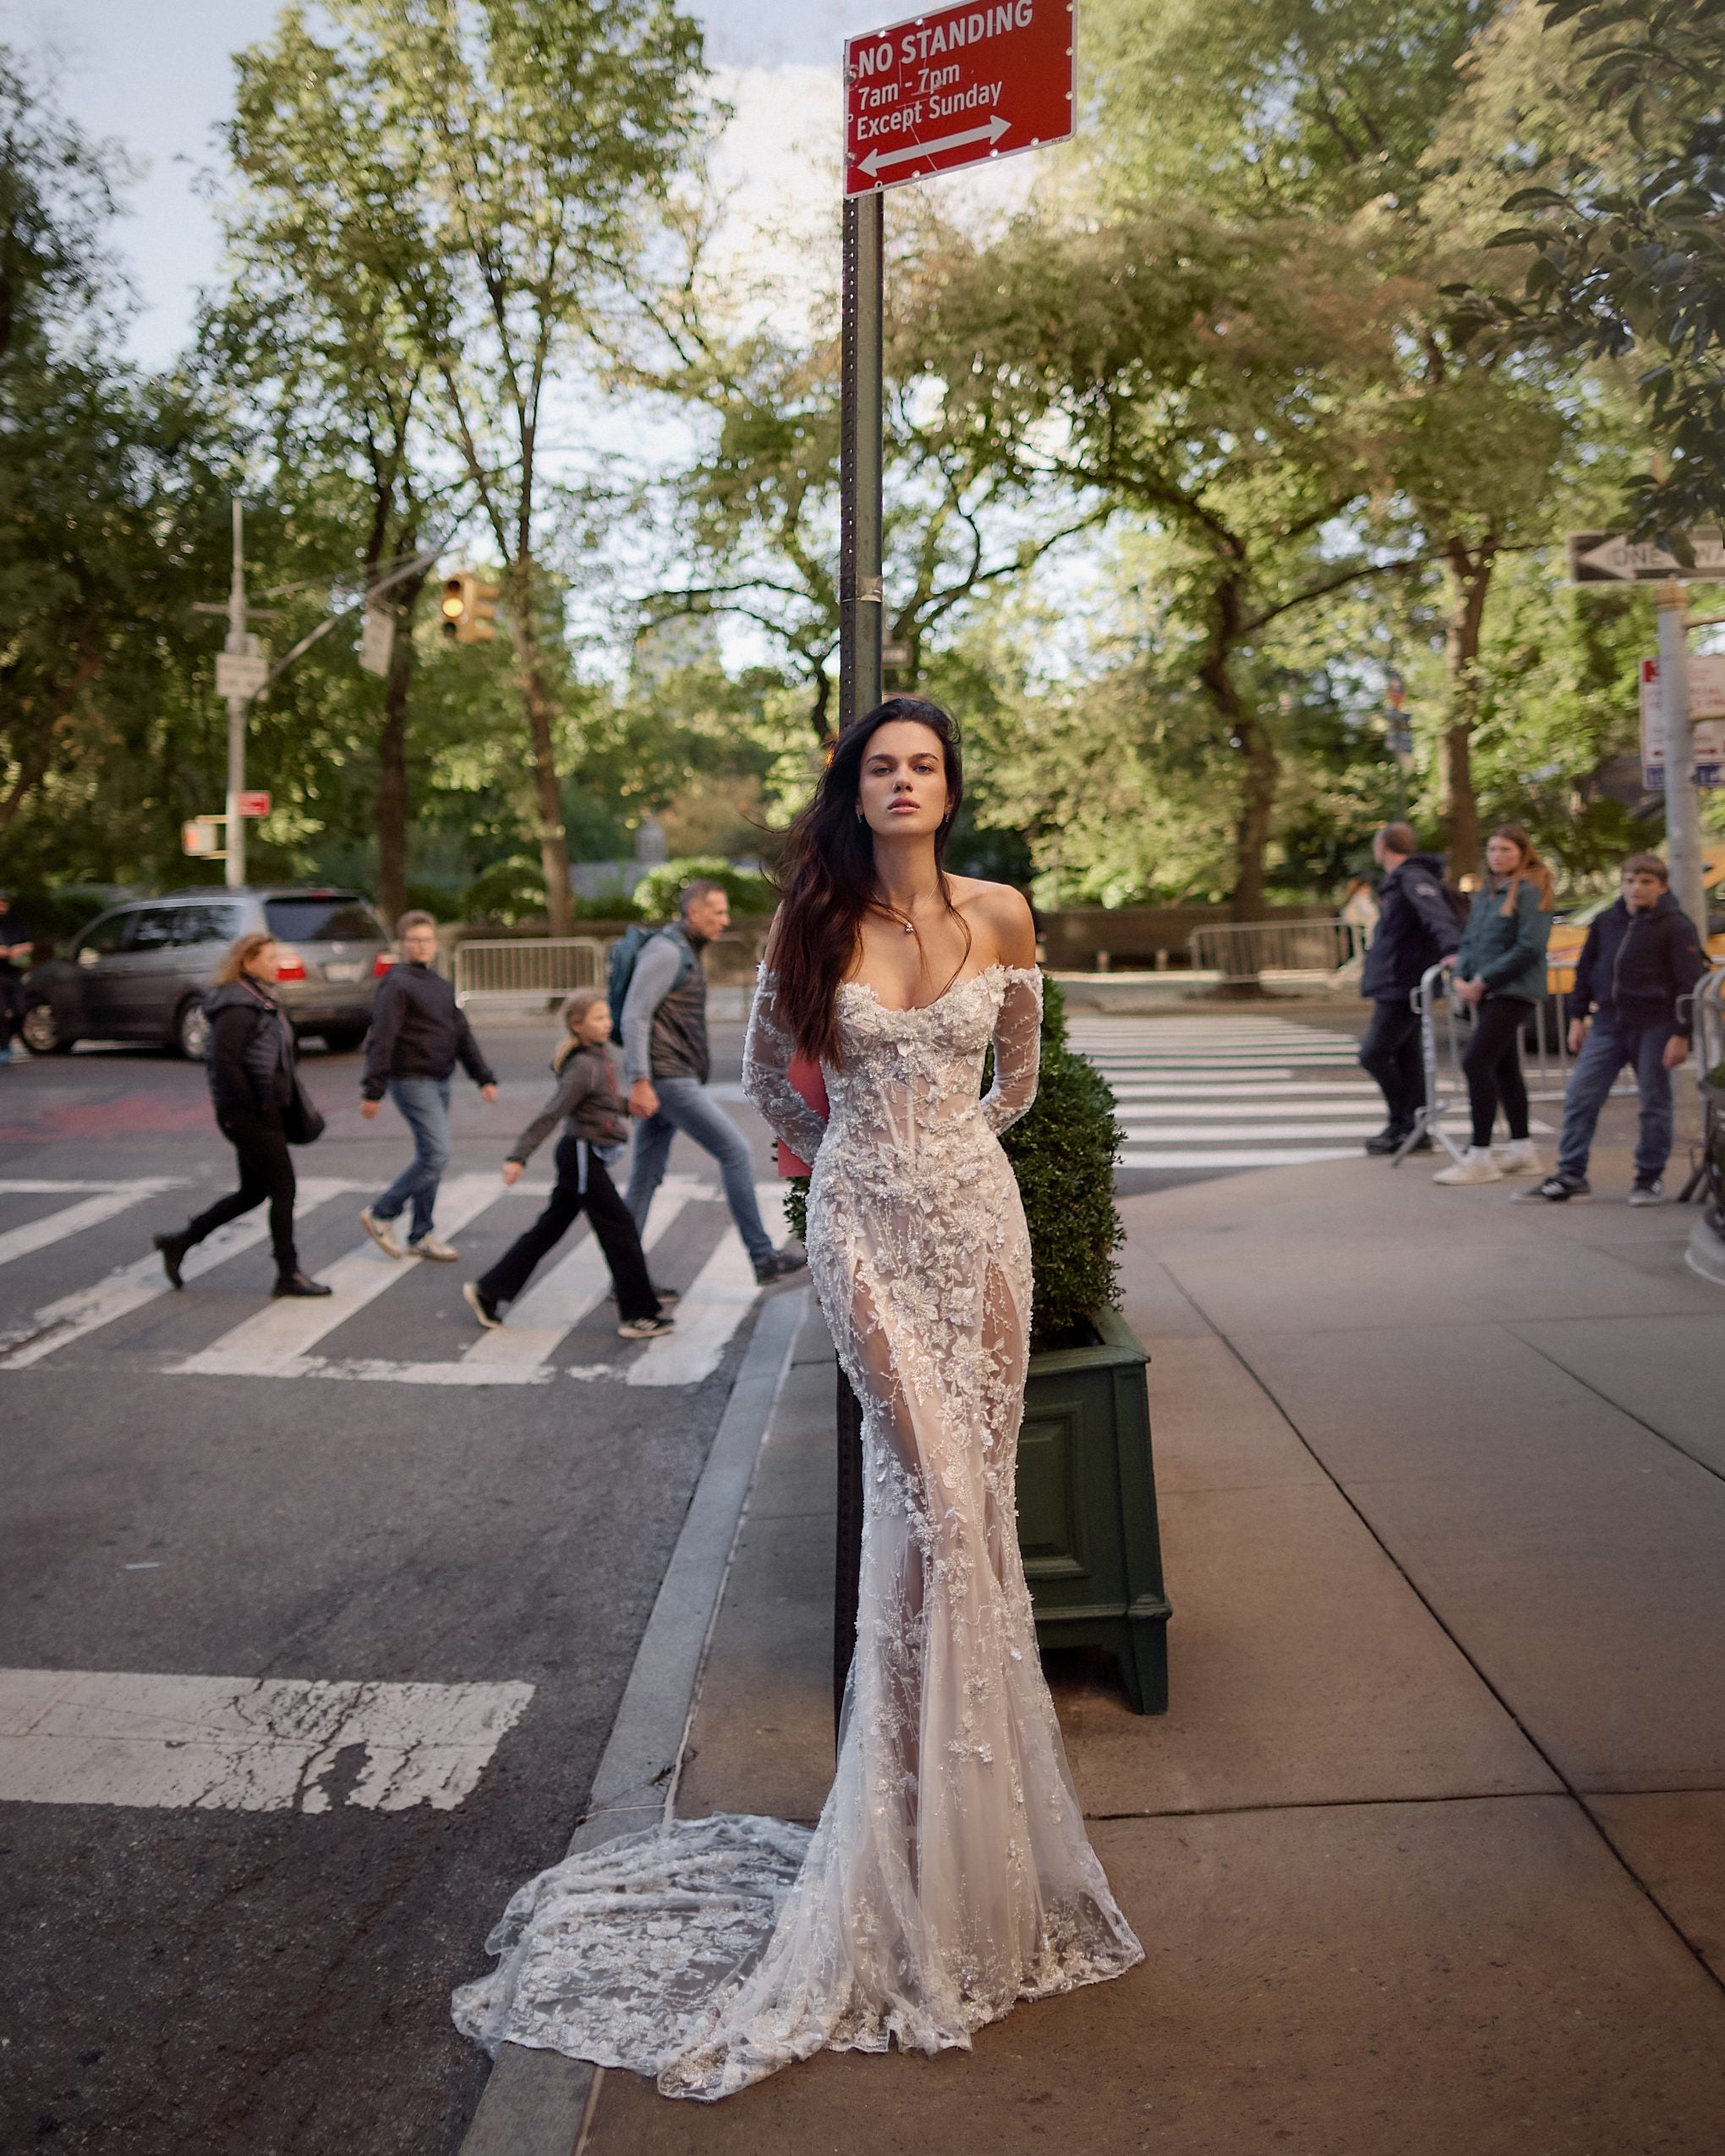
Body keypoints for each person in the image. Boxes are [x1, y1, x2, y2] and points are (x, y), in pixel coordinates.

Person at [453, 698, 1142, 2099]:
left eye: (924, 764)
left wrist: (947, 1152)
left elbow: (1019, 1077)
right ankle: (890, 1860)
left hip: (981, 1232)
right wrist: (870, 1157)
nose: (903, 781)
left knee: (983, 1528)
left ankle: (979, 1865)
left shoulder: (1001, 915)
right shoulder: (812, 923)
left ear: (949, 788)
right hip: (867, 1236)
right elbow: (775, 1081)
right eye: (881, 765)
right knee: (934, 1512)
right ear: (857, 786)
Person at [621, 878, 805, 1287]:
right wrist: (639, 1079)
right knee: (735, 1151)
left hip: (670, 1075)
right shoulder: (667, 952)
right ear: (694, 913)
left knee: (645, 1176)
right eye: (718, 912)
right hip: (668, 1078)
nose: (725, 921)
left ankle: (626, 1278)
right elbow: (635, 1015)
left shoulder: (683, 949)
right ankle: (762, 1257)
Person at [463, 989, 673, 1338]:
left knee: (550, 1228)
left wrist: (627, 1107)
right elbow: (552, 1113)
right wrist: (518, 1157)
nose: (608, 1024)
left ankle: (489, 1290)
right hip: (580, 1155)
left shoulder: (595, 1058)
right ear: (578, 1025)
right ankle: (638, 1314)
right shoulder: (582, 1067)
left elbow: (597, 1104)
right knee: (620, 1230)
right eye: (598, 1019)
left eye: (608, 1017)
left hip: (583, 1154)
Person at [151, 932, 331, 1298]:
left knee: (253, 1192)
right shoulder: (237, 1006)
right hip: (250, 1114)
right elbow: (223, 1062)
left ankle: (181, 1241)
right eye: (268, 958)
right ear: (247, 962)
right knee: (284, 1189)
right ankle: (288, 1273)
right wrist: (256, 1106)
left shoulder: (261, 998)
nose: (276, 963)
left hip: (265, 1111)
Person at [1521, 853, 1705, 1205]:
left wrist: (1681, 1034)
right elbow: (1586, 970)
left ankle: (1648, 1177)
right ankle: (1571, 1173)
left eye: (1646, 882)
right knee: (1580, 1096)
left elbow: (1688, 982)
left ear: (1661, 887)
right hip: (1607, 1022)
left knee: (1654, 1101)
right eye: (1630, 881)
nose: (1636, 888)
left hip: (1655, 1024)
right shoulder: (1607, 921)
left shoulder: (1675, 925)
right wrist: (1576, 1018)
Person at [359, 911, 497, 1261]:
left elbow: (461, 1032)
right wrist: (373, 1089)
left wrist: (483, 1076)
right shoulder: (397, 983)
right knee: (438, 1153)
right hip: (410, 1079)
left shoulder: (439, 983)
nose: (421, 946)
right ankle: (382, 1213)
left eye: (427, 940)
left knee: (430, 1158)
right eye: (414, 940)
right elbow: (383, 1037)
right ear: (402, 944)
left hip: (439, 1079)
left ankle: (422, 1234)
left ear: (436, 944)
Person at [1433, 824, 1555, 1186]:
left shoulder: (1532, 888)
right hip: (1488, 988)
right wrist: (1462, 974)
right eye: (1492, 849)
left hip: (1514, 988)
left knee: (1476, 1061)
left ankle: (1480, 1156)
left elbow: (1530, 945)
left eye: (1505, 849)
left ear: (1522, 852)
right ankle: (1521, 1150)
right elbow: (1472, 938)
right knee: (1504, 1068)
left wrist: (1483, 979)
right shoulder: (1488, 891)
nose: (1497, 855)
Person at [1356, 824, 1462, 1153]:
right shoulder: (1401, 880)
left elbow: (1437, 916)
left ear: (1383, 846)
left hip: (1404, 984)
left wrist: (1451, 951)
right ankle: (1410, 1128)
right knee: (1408, 1058)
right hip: (1400, 982)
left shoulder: (1412, 878)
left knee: (1373, 1054)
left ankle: (1406, 1122)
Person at [0, 891, 33, 1065]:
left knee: (20, 1010)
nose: (2, 906)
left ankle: (7, 1040)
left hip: (14, 973)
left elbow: (29, 943)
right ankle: (3, 1047)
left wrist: (18, 949)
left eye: (4, 902)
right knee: (1, 1013)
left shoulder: (15, 922)